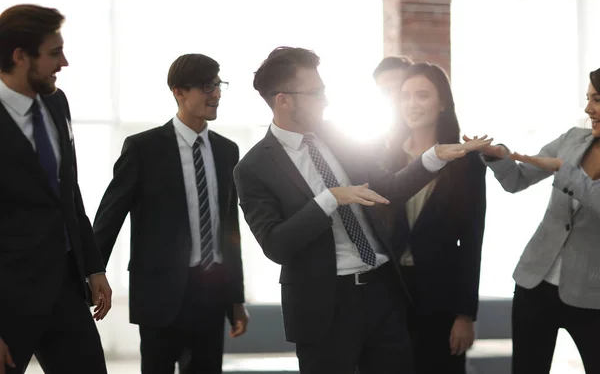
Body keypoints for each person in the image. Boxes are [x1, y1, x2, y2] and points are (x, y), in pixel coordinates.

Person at [233, 46, 492, 374]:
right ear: (283, 100)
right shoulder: (253, 167)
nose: (325, 101)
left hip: (383, 292)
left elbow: (390, 189)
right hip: (325, 307)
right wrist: (329, 199)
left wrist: (435, 156)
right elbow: (275, 244)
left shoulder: (338, 135)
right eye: (315, 93)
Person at [93, 54, 248, 374]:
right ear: (179, 92)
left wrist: (236, 297)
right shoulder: (143, 148)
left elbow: (228, 226)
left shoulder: (226, 150)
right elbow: (111, 213)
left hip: (212, 291)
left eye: (219, 86)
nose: (216, 94)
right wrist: (93, 271)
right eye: (207, 87)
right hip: (160, 292)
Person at [0, 4, 111, 374]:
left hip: (65, 287)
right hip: (8, 299)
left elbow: (68, 191)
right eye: (53, 53)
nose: (64, 63)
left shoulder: (55, 102)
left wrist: (94, 267)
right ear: (19, 56)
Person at [467, 67, 600, 373]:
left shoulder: (565, 159)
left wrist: (563, 170)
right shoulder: (572, 139)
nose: (587, 108)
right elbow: (517, 179)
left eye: (597, 99)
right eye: (588, 98)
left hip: (593, 295)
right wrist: (498, 157)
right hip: (534, 284)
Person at [376, 62, 486, 374]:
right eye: (405, 96)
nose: (412, 104)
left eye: (422, 95)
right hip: (390, 296)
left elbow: (472, 241)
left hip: (442, 297)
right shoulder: (383, 158)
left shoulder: (467, 162)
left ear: (442, 104)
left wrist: (465, 315)